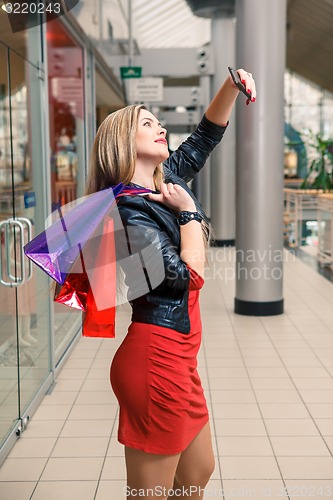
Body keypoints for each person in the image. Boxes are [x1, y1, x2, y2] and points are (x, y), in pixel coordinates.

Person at [85, 69, 256, 499]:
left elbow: (204, 137)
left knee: (197, 472)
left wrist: (231, 87)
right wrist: (191, 215)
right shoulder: (128, 212)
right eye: (147, 123)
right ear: (123, 143)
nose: (159, 127)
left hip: (181, 358)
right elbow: (184, 276)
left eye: (158, 121)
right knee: (151, 495)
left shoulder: (167, 183)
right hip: (154, 359)